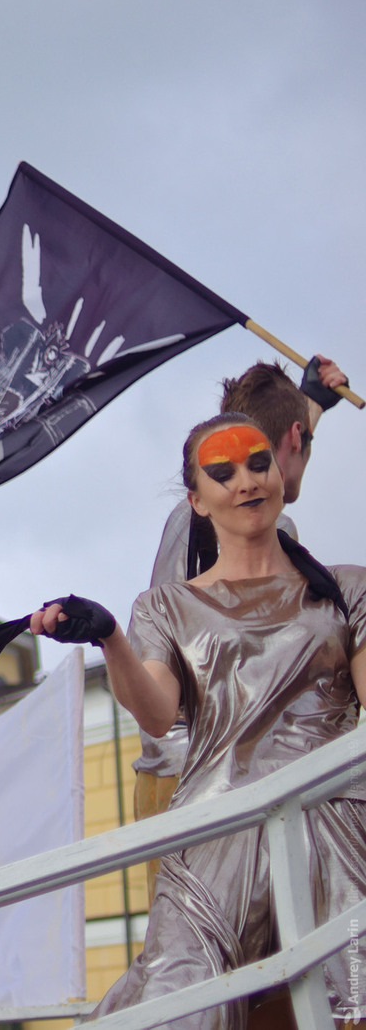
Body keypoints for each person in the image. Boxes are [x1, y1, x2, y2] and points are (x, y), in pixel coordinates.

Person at [32, 412, 366, 1030]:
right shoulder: (166, 607)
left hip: (334, 828)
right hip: (219, 836)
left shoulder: (347, 589)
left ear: (278, 476)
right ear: (197, 499)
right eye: (223, 471)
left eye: (259, 462)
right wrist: (111, 639)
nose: (246, 482)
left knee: (354, 1001)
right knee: (177, 1007)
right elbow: (158, 715)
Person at [135, 356, 350, 900]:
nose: (247, 483)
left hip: (222, 773)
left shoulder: (211, 508)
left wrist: (313, 406)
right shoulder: (239, 528)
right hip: (202, 781)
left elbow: (285, 446)